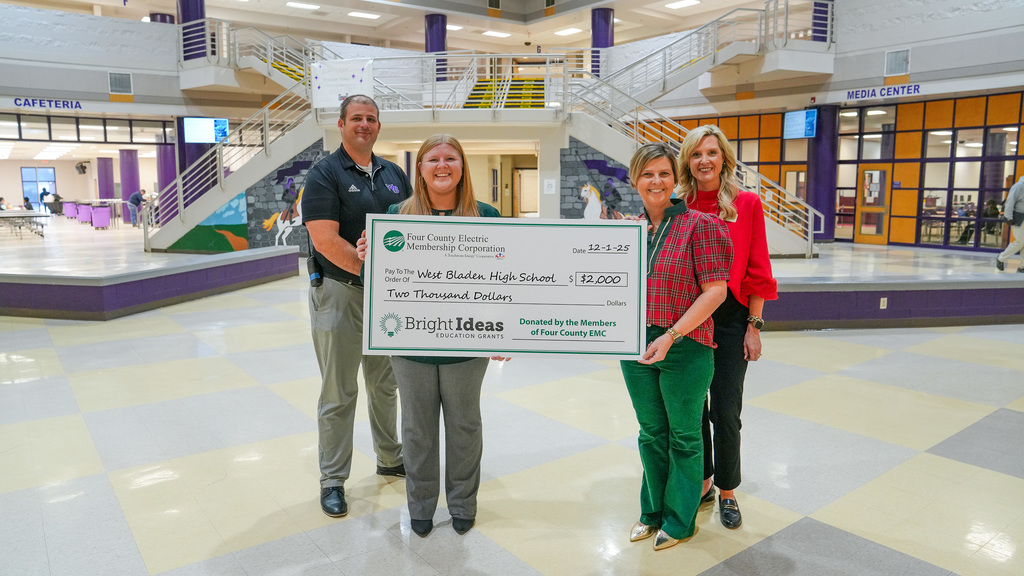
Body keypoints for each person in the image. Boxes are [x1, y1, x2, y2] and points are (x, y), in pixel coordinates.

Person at [357, 134, 507, 538]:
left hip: (467, 342)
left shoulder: (487, 216)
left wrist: (504, 332)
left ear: (462, 167)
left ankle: (462, 503)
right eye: (433, 159)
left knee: (464, 425)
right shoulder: (394, 215)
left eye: (451, 159)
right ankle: (420, 506)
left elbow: (503, 282)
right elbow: (379, 281)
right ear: (419, 169)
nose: (442, 166)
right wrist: (367, 255)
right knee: (417, 428)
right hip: (409, 343)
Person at [301, 95, 412, 519]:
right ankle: (333, 479)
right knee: (339, 390)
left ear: (378, 126)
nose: (364, 124)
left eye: (371, 119)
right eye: (356, 119)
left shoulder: (393, 173)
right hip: (339, 292)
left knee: (385, 383)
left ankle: (390, 456)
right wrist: (373, 277)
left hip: (384, 299)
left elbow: (409, 227)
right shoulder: (323, 174)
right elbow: (325, 239)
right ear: (342, 125)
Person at [620, 142, 732, 551]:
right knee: (651, 433)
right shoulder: (623, 232)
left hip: (684, 346)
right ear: (635, 180)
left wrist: (671, 336)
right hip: (634, 348)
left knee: (685, 436)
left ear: (676, 179)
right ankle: (651, 512)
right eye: (647, 173)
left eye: (664, 173)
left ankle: (680, 520)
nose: (656, 181)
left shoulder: (702, 226)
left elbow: (716, 292)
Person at [679, 124, 777, 530]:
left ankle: (728, 489)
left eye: (712, 153)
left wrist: (754, 325)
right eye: (697, 153)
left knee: (726, 410)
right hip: (684, 318)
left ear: (724, 159)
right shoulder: (676, 203)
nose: (704, 160)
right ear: (688, 159)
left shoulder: (747, 204)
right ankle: (702, 482)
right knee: (691, 410)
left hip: (732, 318)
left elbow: (757, 268)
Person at [997, 175, 1024, 272]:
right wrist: (1008, 217)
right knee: (1020, 241)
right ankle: (1001, 258)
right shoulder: (1019, 186)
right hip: (1018, 217)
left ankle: (1022, 267)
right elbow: (1010, 201)